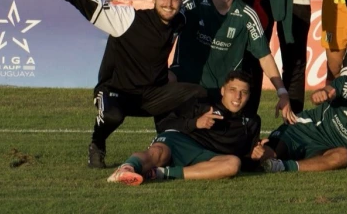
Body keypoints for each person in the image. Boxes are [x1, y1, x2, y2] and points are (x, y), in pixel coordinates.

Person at [31, 0, 203, 168]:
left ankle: (171, 144)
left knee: (198, 94)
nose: (169, 3)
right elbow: (89, 4)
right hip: (116, 92)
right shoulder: (127, 19)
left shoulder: (179, 21)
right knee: (113, 115)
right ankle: (97, 144)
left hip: (150, 95)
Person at [107, 71, 260, 185]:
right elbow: (165, 124)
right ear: (222, 91)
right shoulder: (204, 103)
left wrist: (257, 155)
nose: (237, 97)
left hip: (208, 157)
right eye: (232, 90)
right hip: (182, 141)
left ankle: (161, 174)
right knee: (159, 152)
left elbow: (246, 161)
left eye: (243, 92)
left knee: (233, 165)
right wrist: (196, 123)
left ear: (249, 95)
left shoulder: (252, 121)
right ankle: (126, 169)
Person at [258, 54, 347, 174]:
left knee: (344, 156)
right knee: (265, 156)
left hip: (325, 151)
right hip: (303, 130)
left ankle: (283, 166)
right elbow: (325, 92)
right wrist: (320, 95)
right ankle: (257, 147)